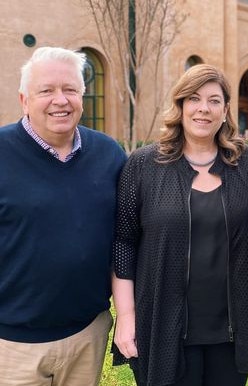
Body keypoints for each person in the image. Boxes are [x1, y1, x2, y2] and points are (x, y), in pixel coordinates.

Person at [111, 63, 248, 386]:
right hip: (161, 322)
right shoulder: (144, 166)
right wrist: (126, 318)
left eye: (214, 100)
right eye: (194, 99)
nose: (203, 109)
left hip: (231, 330)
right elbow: (123, 243)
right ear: (180, 105)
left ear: (226, 110)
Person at [0, 47, 127, 385]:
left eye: (70, 89)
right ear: (24, 100)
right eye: (47, 90)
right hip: (11, 345)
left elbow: (124, 236)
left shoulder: (109, 154)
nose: (61, 100)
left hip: (88, 334)